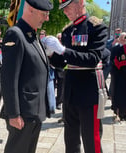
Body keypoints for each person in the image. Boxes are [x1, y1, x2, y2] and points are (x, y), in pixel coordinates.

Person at [42, 0, 108, 152]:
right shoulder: (67, 30)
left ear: (80, 3)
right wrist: (50, 53)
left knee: (91, 137)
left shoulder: (96, 27)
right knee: (70, 138)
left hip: (89, 90)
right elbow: (62, 62)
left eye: (68, 7)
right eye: (63, 9)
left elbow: (93, 59)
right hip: (70, 90)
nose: (65, 12)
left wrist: (63, 50)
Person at [0, 0, 53, 152]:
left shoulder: (32, 35)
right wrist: (13, 113)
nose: (47, 18)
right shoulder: (15, 34)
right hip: (23, 113)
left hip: (35, 110)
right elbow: (9, 78)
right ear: (30, 10)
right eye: (44, 14)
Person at [40, 30, 56, 114]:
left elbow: (50, 52)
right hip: (41, 69)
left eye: (43, 34)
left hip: (49, 68)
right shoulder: (39, 42)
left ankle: (51, 107)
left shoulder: (48, 42)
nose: (41, 35)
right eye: (40, 34)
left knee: (50, 88)